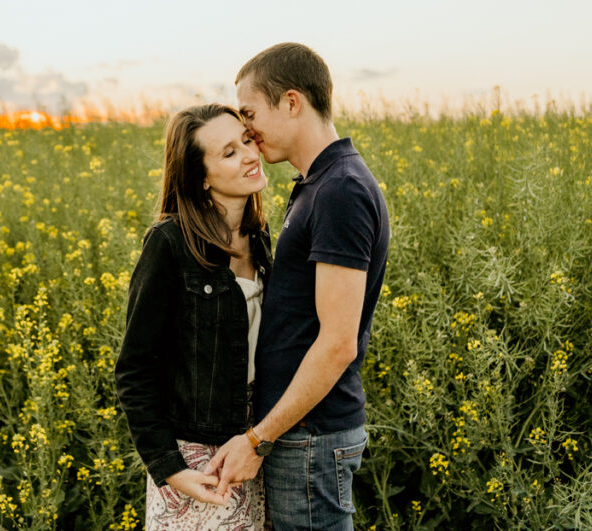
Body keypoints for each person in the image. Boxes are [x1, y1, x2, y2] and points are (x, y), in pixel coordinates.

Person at [204, 43, 390, 530]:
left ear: (291, 102)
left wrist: (258, 439)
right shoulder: (317, 183)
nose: (247, 131)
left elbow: (336, 344)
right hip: (301, 430)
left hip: (309, 434)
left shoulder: (340, 190)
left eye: (250, 113)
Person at [115, 103, 272, 529]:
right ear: (200, 177)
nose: (249, 154)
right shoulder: (169, 244)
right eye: (228, 153)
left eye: (245, 140)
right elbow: (134, 370)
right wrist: (171, 469)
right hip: (197, 463)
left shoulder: (261, 239)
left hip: (254, 450)